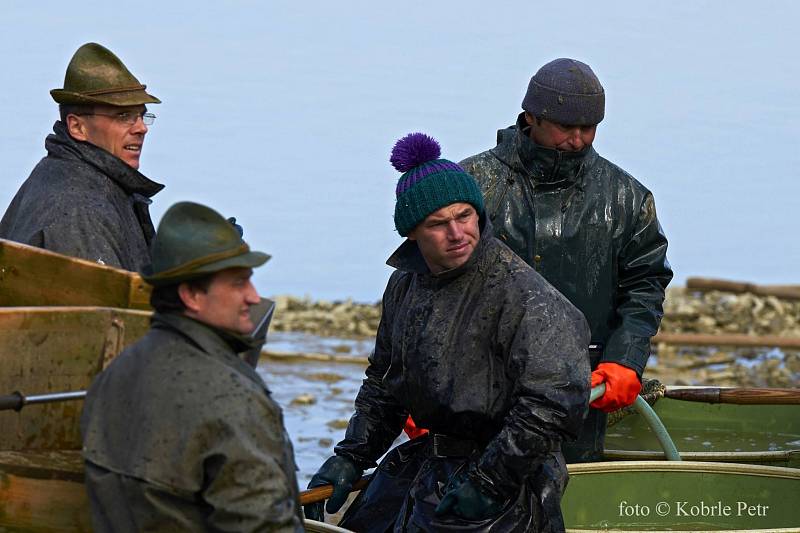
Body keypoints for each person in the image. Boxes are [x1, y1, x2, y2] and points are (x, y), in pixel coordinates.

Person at [305, 133, 590, 532]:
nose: (457, 233)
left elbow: (552, 405)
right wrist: (352, 455)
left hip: (506, 477)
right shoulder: (406, 285)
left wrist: (491, 481)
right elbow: (386, 382)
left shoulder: (526, 297)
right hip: (430, 461)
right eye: (438, 224)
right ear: (412, 233)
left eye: (464, 216)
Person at [459, 58, 673, 463]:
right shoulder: (470, 185)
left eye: (588, 129)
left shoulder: (628, 198)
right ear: (531, 117)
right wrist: (420, 385)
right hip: (479, 383)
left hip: (581, 387)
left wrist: (625, 360)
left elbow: (645, 287)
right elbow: (433, 285)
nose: (577, 140)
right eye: (565, 128)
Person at [80, 201, 304, 532]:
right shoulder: (230, 400)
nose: (254, 297)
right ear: (191, 296)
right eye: (238, 283)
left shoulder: (114, 373)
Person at [0, 42, 164, 271]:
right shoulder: (83, 210)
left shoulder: (61, 172)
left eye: (141, 116)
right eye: (123, 115)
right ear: (77, 127)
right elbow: (102, 304)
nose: (141, 128)